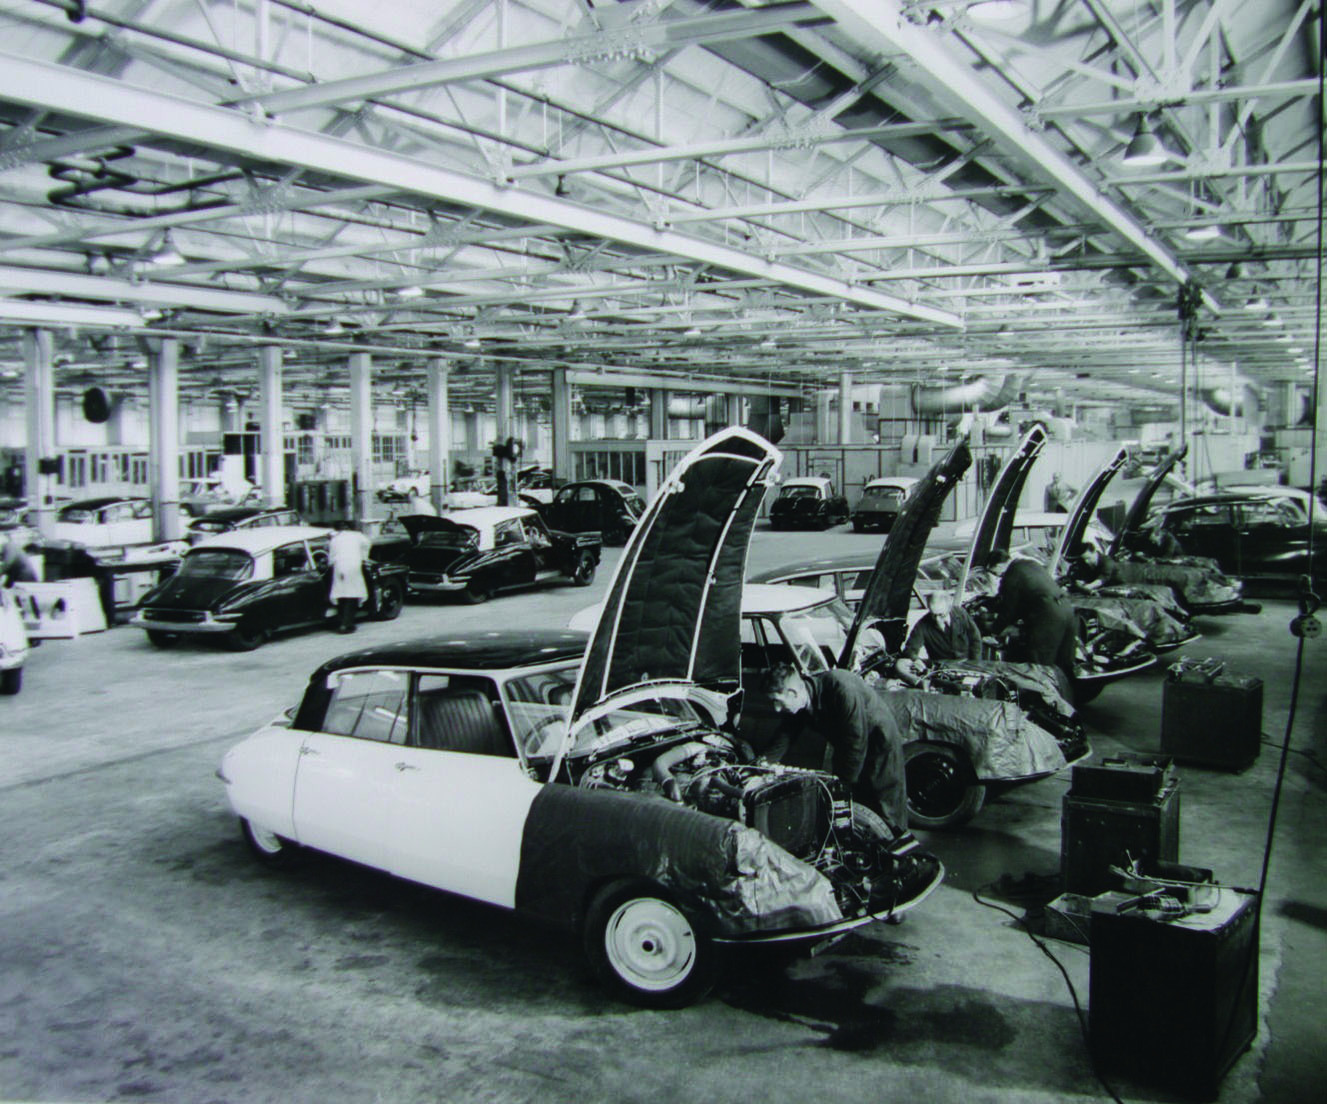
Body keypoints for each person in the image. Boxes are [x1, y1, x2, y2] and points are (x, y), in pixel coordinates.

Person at [763, 662, 908, 829]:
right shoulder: (803, 698)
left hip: (880, 745)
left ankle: (897, 841)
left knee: (885, 809)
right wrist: (764, 761)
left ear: (793, 693)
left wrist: (841, 785)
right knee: (857, 808)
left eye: (777, 701)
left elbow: (855, 742)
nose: (776, 709)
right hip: (850, 747)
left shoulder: (841, 689)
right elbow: (785, 734)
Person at [988, 550, 1078, 702]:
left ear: (998, 565)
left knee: (1039, 663)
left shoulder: (1011, 575)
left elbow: (1009, 610)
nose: (997, 576)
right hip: (1066, 609)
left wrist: (993, 630)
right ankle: (1068, 702)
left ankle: (1042, 704)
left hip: (1048, 615)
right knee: (1063, 662)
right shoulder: (1029, 563)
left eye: (994, 572)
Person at [902, 589, 983, 663]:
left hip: (965, 662)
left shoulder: (961, 614)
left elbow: (975, 639)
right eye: (933, 615)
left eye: (941, 615)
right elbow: (909, 650)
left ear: (949, 608)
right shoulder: (923, 624)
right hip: (941, 666)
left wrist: (975, 662)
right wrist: (917, 660)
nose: (937, 619)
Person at [328, 521, 372, 634]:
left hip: (339, 566)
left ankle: (342, 622)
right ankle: (347, 624)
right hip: (353, 565)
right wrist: (364, 557)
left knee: (341, 593)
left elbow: (331, 556)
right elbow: (367, 544)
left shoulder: (335, 539)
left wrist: (330, 563)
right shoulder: (358, 536)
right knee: (352, 594)